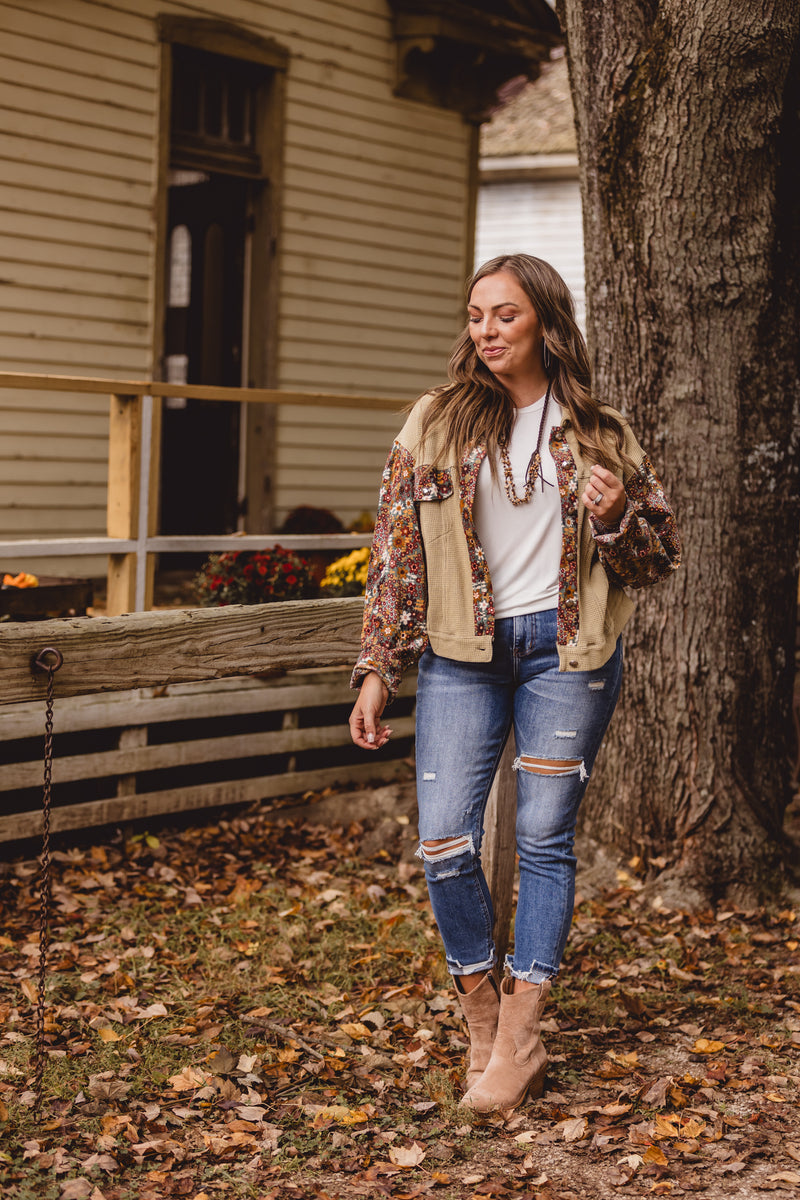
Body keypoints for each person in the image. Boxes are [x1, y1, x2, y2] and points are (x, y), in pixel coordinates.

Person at [348, 254, 680, 1113]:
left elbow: (658, 561)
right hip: (463, 655)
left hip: (566, 659)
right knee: (444, 838)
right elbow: (395, 555)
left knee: (542, 837)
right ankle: (481, 1014)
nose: (486, 331)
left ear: (545, 321)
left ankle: (523, 1035)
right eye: (475, 315)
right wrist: (377, 669)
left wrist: (616, 519)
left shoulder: (601, 432)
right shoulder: (435, 424)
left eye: (504, 315)